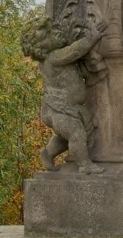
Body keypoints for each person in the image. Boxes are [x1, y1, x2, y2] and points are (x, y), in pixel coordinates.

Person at [20, 12, 106, 174]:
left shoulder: (47, 60)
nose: (57, 33)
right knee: (76, 133)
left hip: (62, 108)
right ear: (42, 46)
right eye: (50, 33)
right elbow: (75, 51)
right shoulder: (54, 57)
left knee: (65, 135)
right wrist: (92, 37)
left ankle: (48, 153)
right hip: (61, 108)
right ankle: (85, 165)